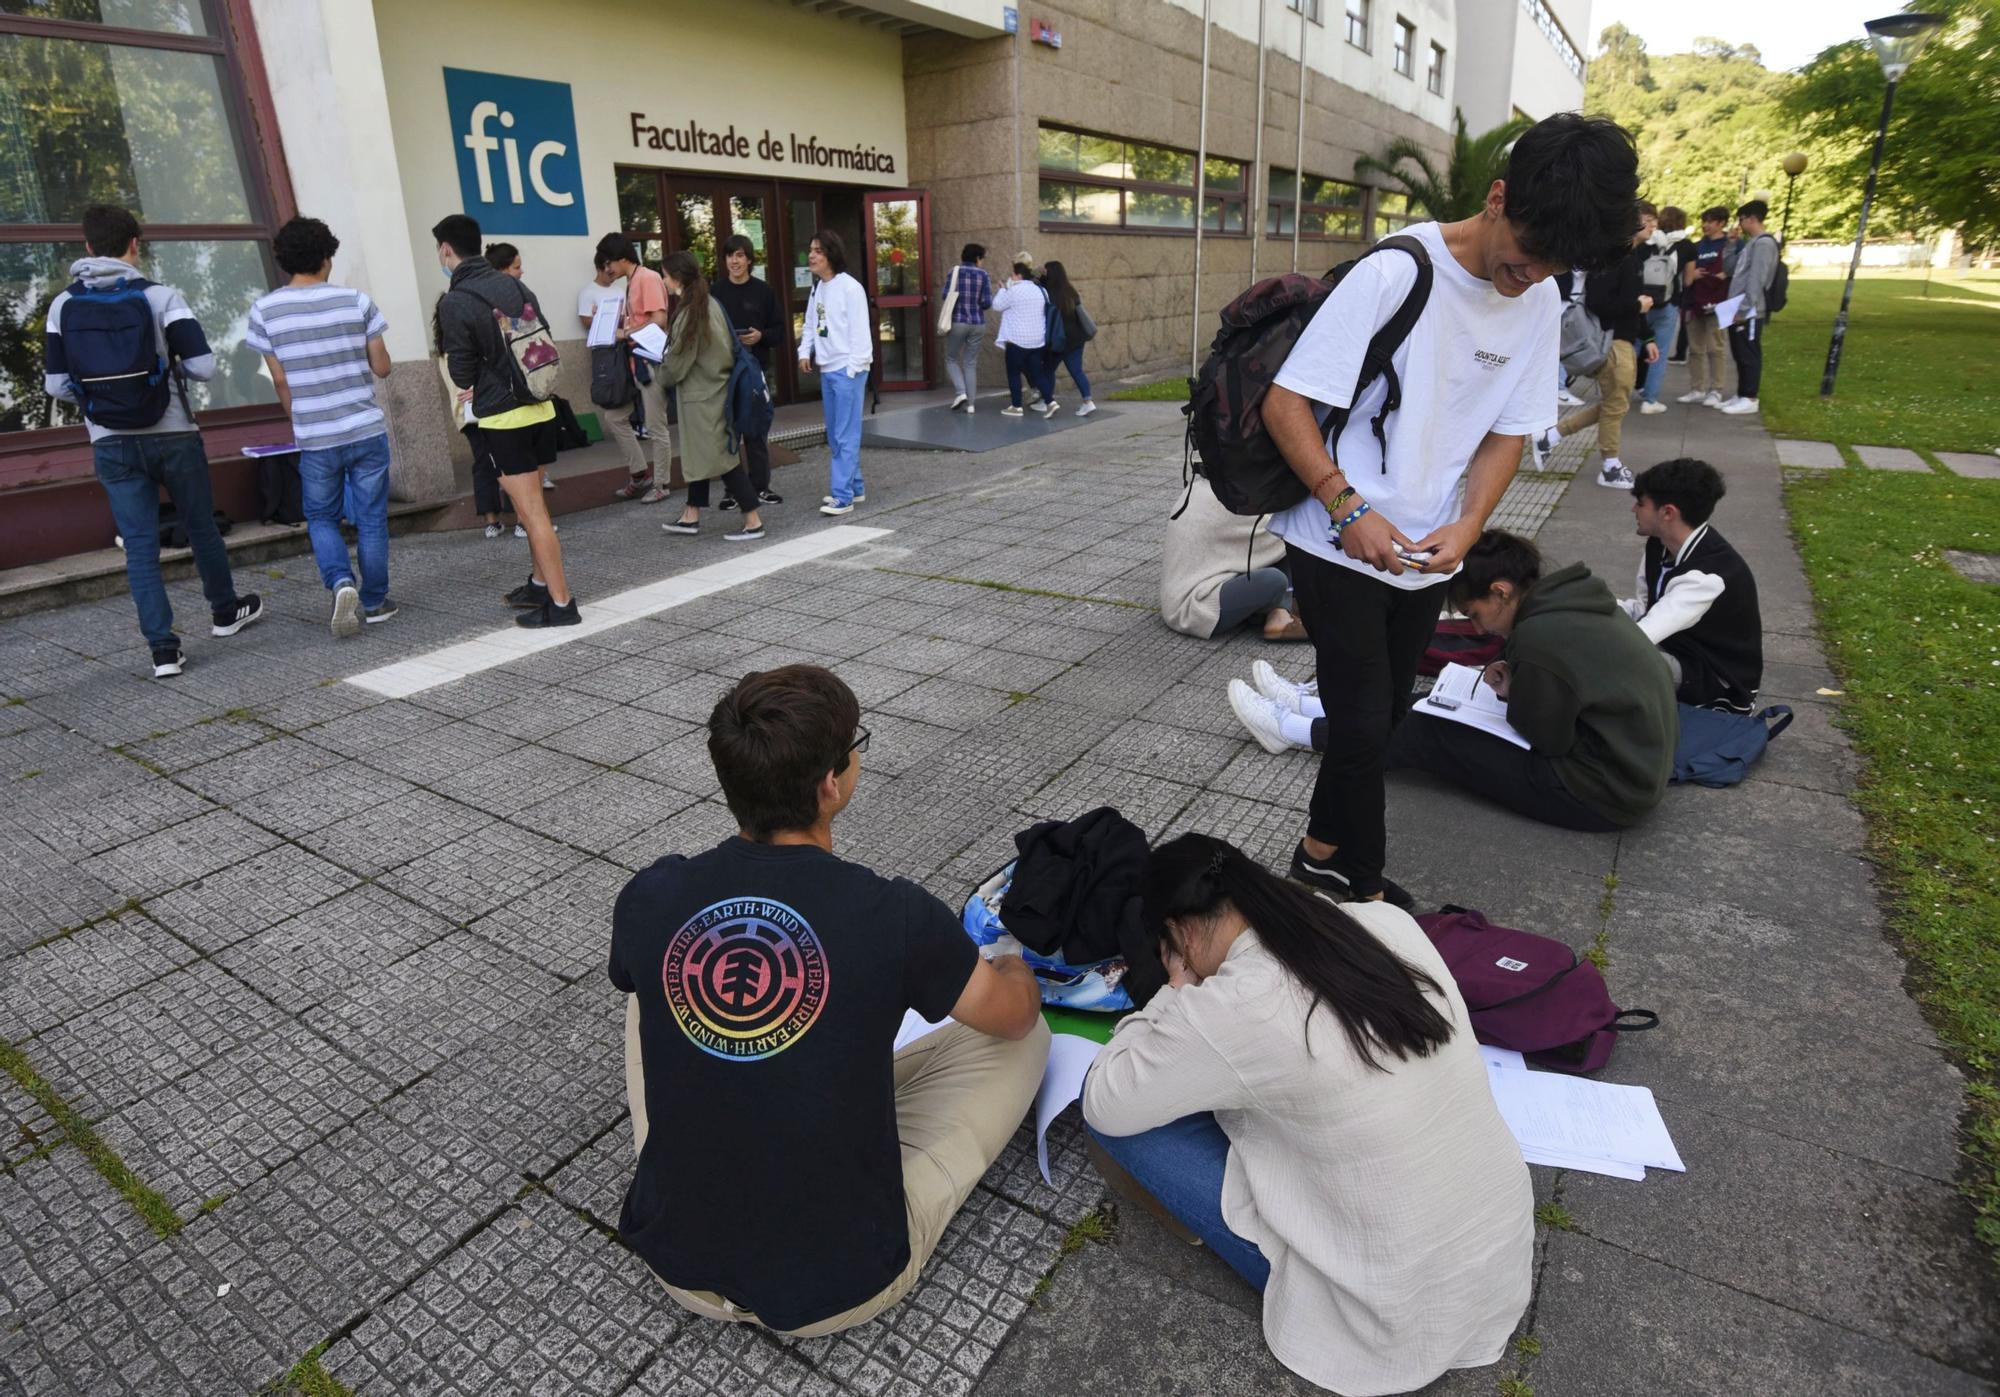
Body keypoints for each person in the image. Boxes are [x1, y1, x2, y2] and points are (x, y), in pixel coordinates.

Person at [1257, 112, 1639, 906]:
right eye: (1524, 258)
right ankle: (1357, 884)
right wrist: (1347, 505)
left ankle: (1324, 853)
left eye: (1550, 268)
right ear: (1497, 198)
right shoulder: (1397, 273)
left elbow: (1508, 428)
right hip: (1339, 534)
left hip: (1430, 543)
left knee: (1389, 713)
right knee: (1362, 723)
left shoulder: (1538, 300)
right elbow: (1285, 403)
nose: (1529, 278)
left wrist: (1468, 527)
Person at [610, 664, 1050, 1337]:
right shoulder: (892, 912)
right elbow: (1012, 1015)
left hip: (677, 1257)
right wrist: (1014, 963)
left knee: (652, 980)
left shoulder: (653, 891)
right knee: (1029, 1036)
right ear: (829, 785)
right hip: (841, 1286)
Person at [1081, 832, 1531, 1396]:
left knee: (1126, 1121)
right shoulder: (1383, 923)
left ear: (1181, 931)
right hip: (1494, 1266)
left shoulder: (1231, 1007)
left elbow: (1106, 1101)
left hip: (1384, 1314)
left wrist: (1175, 988)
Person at [42, 204, 262, 677]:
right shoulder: (163, 296)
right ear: (135, 245)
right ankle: (225, 613)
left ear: (87, 247)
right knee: (200, 525)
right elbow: (204, 367)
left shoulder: (62, 306)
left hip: (111, 442)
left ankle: (163, 650)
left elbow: (56, 386)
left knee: (140, 544)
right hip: (173, 433)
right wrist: (166, 371)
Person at [1386, 530, 1676, 831]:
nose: (1478, 628)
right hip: (1635, 768)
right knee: (1426, 703)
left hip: (1604, 794)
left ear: (1501, 592)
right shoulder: (1575, 601)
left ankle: (1351, 755)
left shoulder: (1539, 636)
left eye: (1474, 614)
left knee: (1428, 732)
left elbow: (1547, 740)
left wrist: (1517, 693)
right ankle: (1352, 728)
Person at [246, 216, 395, 638]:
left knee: (321, 517)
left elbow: (279, 379)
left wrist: (300, 417)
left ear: (285, 261)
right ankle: (376, 601)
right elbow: (382, 368)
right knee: (370, 519)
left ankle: (340, 581)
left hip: (315, 435)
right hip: (365, 428)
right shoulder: (357, 302)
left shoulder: (264, 311)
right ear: (327, 257)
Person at [434, 213, 579, 628]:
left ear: (446, 249)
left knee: (531, 512)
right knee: (534, 506)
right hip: (542, 406)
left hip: (503, 418)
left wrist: (478, 379)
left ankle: (562, 603)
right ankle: (539, 583)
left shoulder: (455, 300)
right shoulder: (514, 284)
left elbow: (461, 373)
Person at [1622, 458, 1763, 712]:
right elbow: (1646, 609)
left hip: (1715, 682)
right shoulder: (1660, 544)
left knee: (1612, 658)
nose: (1633, 510)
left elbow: (1638, 640)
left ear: (1668, 513)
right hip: (1680, 650)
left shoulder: (1706, 576)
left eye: (1640, 504)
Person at [1539, 203, 1655, 490]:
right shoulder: (1616, 258)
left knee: (1614, 404)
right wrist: (1636, 305)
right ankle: (1610, 466)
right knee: (1616, 405)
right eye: (1648, 220)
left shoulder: (1631, 258)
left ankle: (1551, 436)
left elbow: (1629, 305)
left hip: (1623, 339)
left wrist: (1647, 337)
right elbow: (1598, 302)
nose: (1653, 226)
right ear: (1633, 223)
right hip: (1611, 341)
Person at [657, 252, 766, 544]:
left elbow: (678, 361)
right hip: (715, 392)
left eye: (665, 276)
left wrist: (659, 374)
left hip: (703, 397)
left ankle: (753, 520)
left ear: (677, 278)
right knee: (702, 456)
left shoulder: (692, 311)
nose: (663, 281)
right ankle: (690, 515)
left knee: (724, 461)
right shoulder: (709, 303)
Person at [1161, 475, 1302, 640]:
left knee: (1278, 547)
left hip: (1180, 597)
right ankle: (1280, 615)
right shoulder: (1232, 500)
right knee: (1276, 574)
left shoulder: (1201, 486)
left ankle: (1271, 610)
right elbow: (1281, 534)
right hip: (1194, 608)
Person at [797, 231, 873, 516]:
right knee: (836, 434)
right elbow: (809, 324)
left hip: (847, 371)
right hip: (828, 370)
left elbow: (861, 334)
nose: (812, 256)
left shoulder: (850, 288)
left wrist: (852, 370)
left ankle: (843, 497)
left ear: (831, 254)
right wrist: (805, 353)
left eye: (818, 251)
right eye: (810, 250)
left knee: (844, 434)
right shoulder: (818, 288)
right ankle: (855, 486)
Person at [708, 233, 786, 511]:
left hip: (755, 370)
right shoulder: (715, 292)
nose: (734, 261)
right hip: (726, 371)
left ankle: (760, 487)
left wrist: (760, 336)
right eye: (730, 256)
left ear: (749, 259)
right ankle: (732, 490)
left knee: (756, 432)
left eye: (740, 255)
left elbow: (780, 331)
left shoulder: (763, 291)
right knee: (730, 432)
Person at [597, 234, 674, 502]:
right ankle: (641, 474)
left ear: (620, 258)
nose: (608, 269)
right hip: (634, 362)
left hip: (648, 362)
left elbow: (659, 319)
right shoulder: (633, 280)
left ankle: (662, 484)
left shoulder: (647, 278)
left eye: (609, 262)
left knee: (656, 426)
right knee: (614, 417)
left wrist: (624, 332)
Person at [1718, 200, 1778, 416]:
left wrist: (1744, 309)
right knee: (1739, 352)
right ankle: (1741, 393)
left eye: (1741, 220)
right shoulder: (1751, 243)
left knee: (1749, 354)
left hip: (1750, 310)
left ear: (1752, 218)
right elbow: (1731, 269)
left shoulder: (1764, 244)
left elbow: (1757, 279)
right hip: (1738, 308)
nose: (1740, 225)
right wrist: (1731, 245)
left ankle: (1750, 397)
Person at [1636, 205, 1692, 414]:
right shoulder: (1686, 246)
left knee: (1632, 349)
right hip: (1668, 304)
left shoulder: (1644, 244)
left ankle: (1622, 392)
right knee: (1657, 352)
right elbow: (1688, 280)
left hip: (1641, 303)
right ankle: (1650, 399)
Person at [1676, 206, 1734, 408]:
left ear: (1721, 223)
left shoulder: (1729, 245)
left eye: (1710, 221)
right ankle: (1696, 388)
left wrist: (1715, 275)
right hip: (1695, 301)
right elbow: (1686, 271)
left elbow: (1731, 270)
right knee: (1695, 348)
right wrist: (1694, 275)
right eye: (1704, 221)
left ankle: (1716, 390)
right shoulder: (1697, 246)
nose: (1706, 225)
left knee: (1716, 348)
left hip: (1718, 303)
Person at [991, 259, 1058, 419]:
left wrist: (1001, 290)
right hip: (1037, 341)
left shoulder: (1013, 291)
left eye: (1013, 275)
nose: (1011, 277)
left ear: (1019, 275)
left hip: (1017, 340)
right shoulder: (1041, 290)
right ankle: (1050, 401)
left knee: (1014, 373)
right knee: (1038, 374)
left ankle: (1016, 406)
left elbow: (997, 306)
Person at [1038, 260, 1096, 417]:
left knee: (1048, 370)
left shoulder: (1047, 292)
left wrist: (1039, 275)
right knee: (1077, 370)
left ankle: (1047, 402)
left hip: (1059, 340)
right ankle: (1087, 401)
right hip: (1077, 338)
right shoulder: (1070, 291)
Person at [940, 243, 994, 412]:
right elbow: (987, 303)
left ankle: (961, 392)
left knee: (951, 359)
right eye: (982, 258)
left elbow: (944, 295)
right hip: (977, 324)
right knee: (970, 363)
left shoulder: (953, 273)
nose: (982, 262)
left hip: (958, 322)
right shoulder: (983, 275)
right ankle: (970, 405)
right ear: (977, 258)